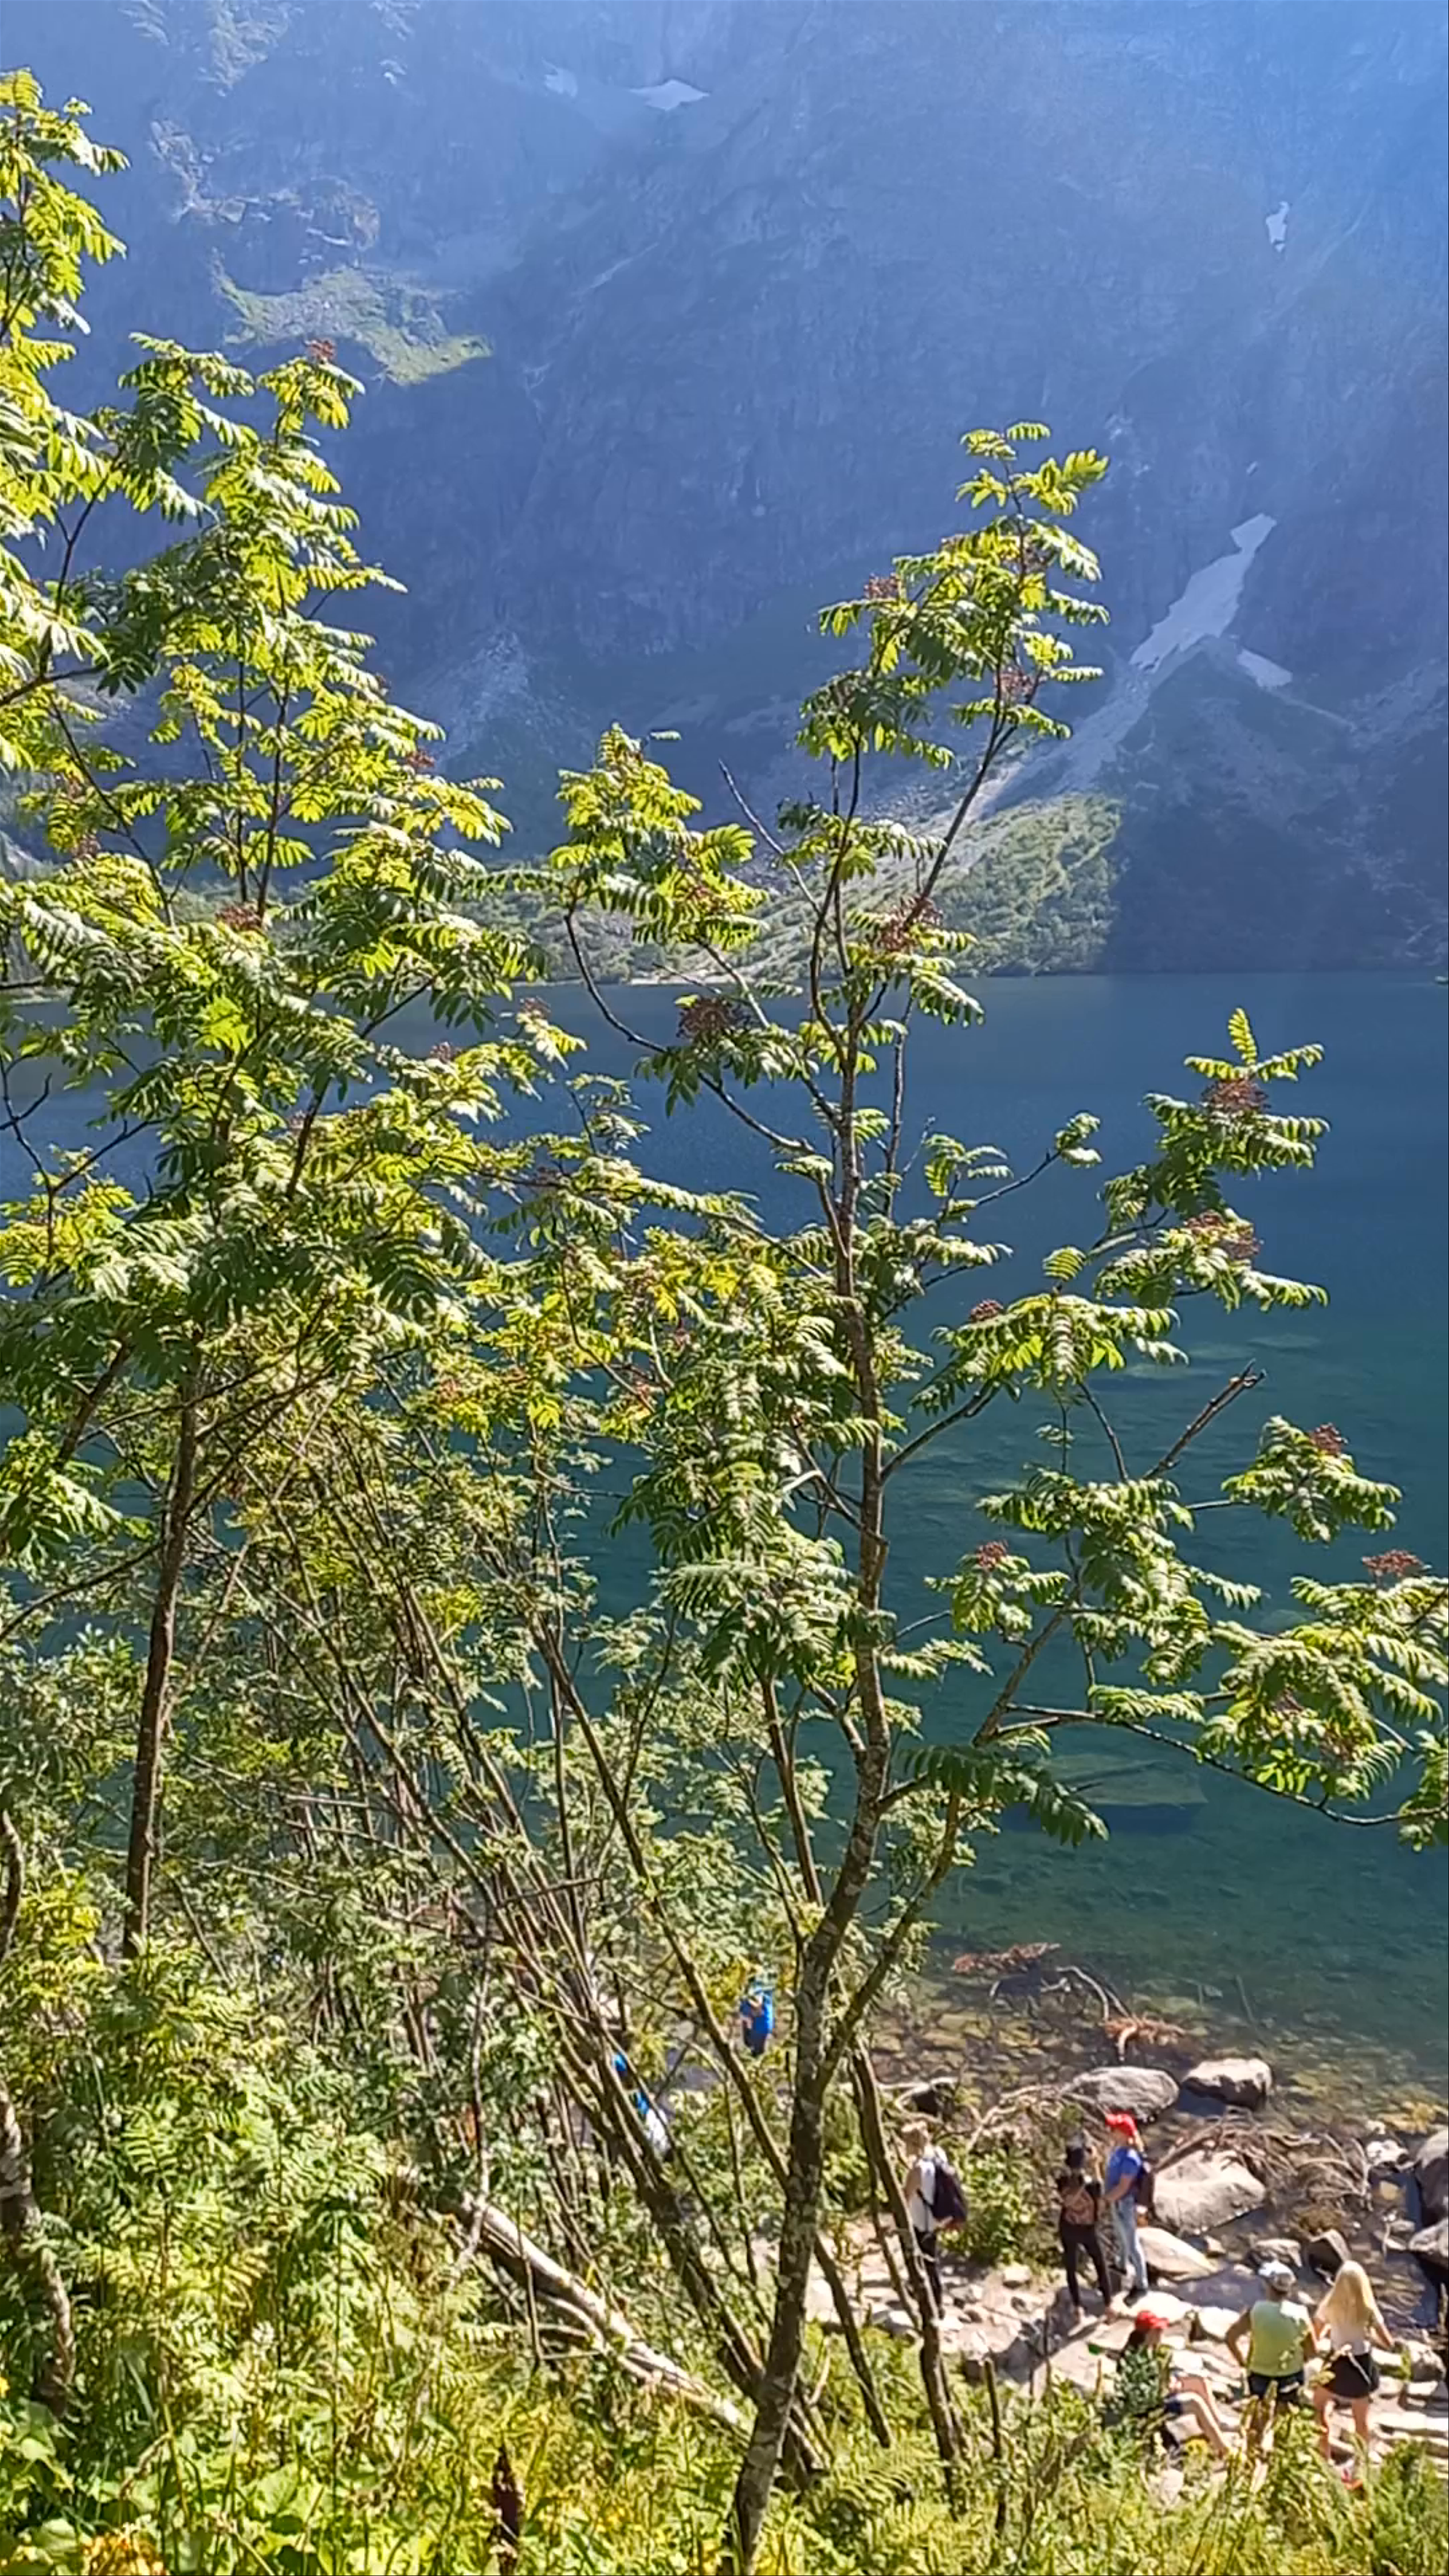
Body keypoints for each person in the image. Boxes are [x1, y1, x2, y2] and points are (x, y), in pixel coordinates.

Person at [1109, 2310, 1234, 2458]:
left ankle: (1218, 2422)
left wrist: (1171, 2383)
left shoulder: (1150, 2349)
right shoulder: (1136, 2359)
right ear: (1148, 2334)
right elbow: (1147, 2393)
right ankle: (1224, 2448)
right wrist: (1171, 2389)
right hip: (1152, 2407)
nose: (1161, 2333)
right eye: (1157, 2331)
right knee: (1195, 2402)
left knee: (1199, 2381)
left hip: (1161, 2392)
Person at [1312, 2260, 1391, 2472]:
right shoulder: (1368, 2307)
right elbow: (1388, 2342)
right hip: (1361, 2364)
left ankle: (1324, 2456)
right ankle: (1360, 2464)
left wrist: (1331, 2330)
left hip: (1337, 2362)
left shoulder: (1329, 2303)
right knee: (1361, 2420)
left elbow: (1316, 2334)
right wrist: (1368, 2335)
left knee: (1319, 2406)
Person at [1225, 2259, 1317, 2433]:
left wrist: (1243, 2362)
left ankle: (1253, 2456)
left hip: (1259, 2373)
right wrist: (1299, 2359)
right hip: (1291, 2376)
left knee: (1257, 2424)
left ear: (1268, 2286)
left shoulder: (1256, 2311)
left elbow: (1230, 2338)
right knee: (1284, 2425)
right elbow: (1313, 2351)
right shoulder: (1301, 2314)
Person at [1055, 2137, 1112, 2317]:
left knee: (1085, 2264)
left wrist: (1094, 2167)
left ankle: (1092, 2304)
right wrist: (1093, 2169)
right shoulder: (1078, 2183)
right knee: (1086, 2264)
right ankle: (1095, 2304)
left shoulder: (1069, 2181)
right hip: (1081, 2229)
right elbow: (1071, 2200)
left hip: (1076, 2227)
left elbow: (1069, 2200)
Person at [901, 2119, 950, 2313]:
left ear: (913, 2144)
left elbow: (906, 2195)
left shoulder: (919, 2169)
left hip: (922, 2221)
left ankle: (933, 2305)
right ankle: (934, 2301)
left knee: (925, 2262)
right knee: (931, 2260)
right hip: (938, 2218)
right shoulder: (939, 2155)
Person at [1102, 2111, 1150, 2303]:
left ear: (1124, 2134)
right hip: (1116, 2201)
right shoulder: (1118, 2150)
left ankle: (1141, 2284)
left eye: (1115, 2129)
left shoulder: (1131, 2158)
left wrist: (1105, 2200)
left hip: (1125, 2204)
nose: (1111, 2131)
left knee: (1132, 2243)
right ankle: (1120, 2266)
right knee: (1120, 2236)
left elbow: (1124, 2186)